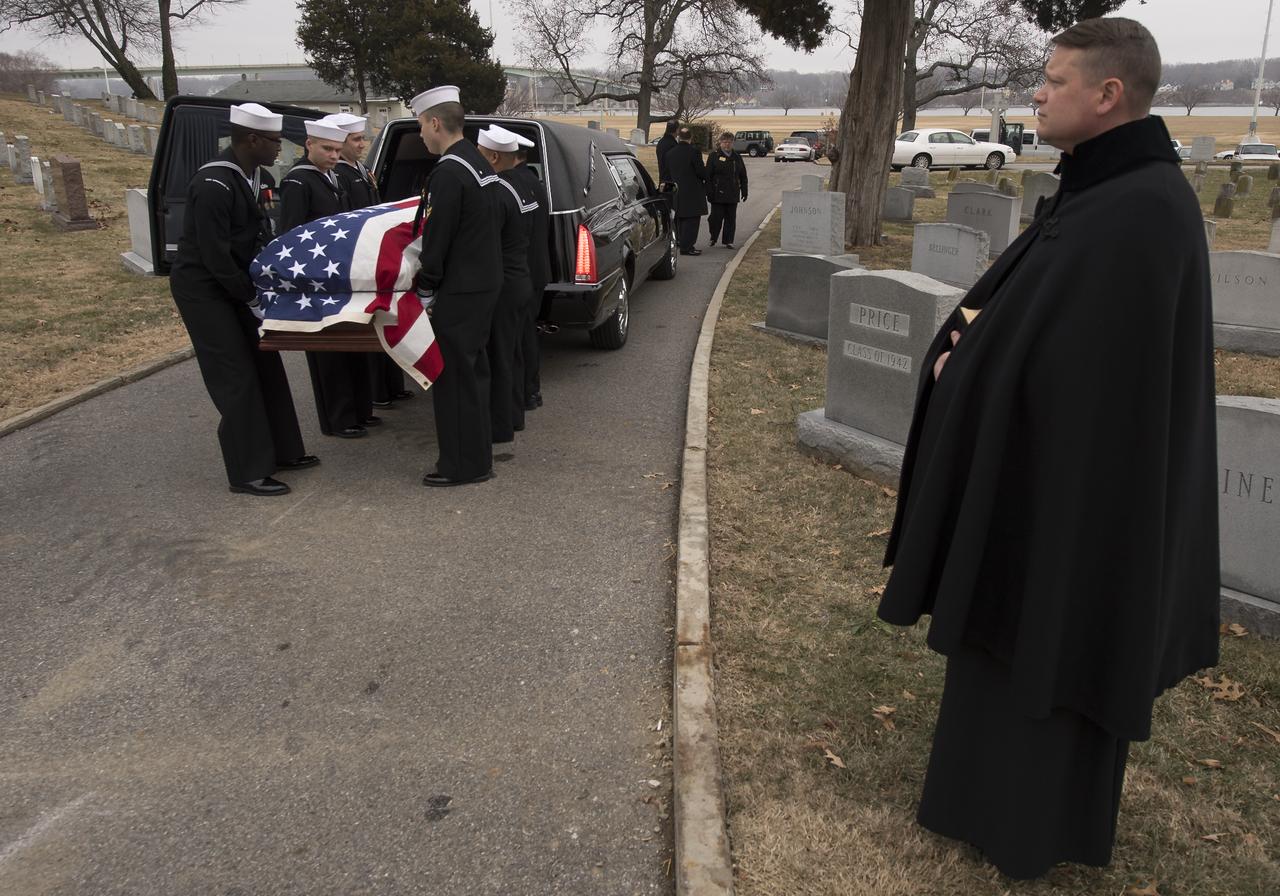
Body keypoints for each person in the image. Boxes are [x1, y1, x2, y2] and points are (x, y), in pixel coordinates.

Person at [876, 17, 1219, 880]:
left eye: (1054, 79)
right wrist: (970, 354)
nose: (1036, 92)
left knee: (1054, 652)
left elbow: (1098, 386)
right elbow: (1040, 323)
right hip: (1037, 479)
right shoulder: (1099, 189)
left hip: (1083, 504)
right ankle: (976, 804)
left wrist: (971, 364)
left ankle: (1030, 826)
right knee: (1004, 642)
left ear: (1107, 96)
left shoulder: (1141, 208)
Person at [169, 102, 317, 496]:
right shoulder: (214, 184)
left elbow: (256, 235)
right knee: (235, 375)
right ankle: (248, 470)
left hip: (234, 283)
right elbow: (214, 254)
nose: (279, 148)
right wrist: (249, 296)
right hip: (206, 289)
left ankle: (284, 451)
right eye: (273, 141)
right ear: (251, 139)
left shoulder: (254, 176)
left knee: (265, 365)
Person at [411, 85, 504, 486]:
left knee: (453, 380)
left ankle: (461, 466)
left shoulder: (449, 171)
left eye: (420, 127)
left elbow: (439, 237)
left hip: (461, 289)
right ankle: (477, 458)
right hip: (483, 282)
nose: (420, 136)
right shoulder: (478, 163)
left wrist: (425, 285)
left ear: (435, 122)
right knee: (474, 373)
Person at [280, 115, 375, 439]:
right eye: (327, 149)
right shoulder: (298, 181)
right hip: (315, 281)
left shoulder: (332, 177)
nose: (334, 156)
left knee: (350, 344)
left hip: (340, 275)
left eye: (337, 149)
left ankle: (360, 410)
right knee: (328, 352)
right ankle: (339, 418)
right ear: (309, 144)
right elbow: (291, 234)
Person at [329, 112, 414, 412]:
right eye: (356, 139)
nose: (363, 144)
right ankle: (375, 391)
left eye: (363, 138)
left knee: (383, 320)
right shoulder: (340, 174)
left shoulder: (362, 171)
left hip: (373, 254)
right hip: (359, 256)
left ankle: (388, 387)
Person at [476, 124, 539, 443]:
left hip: (502, 284)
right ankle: (513, 416)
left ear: (494, 156)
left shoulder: (496, 191)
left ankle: (499, 426)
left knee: (499, 356)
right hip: (520, 279)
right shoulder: (519, 186)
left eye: (481, 154)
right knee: (512, 353)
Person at [513, 145, 551, 412]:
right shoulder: (536, 184)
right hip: (536, 271)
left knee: (517, 337)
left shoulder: (508, 185)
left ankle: (524, 392)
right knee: (527, 333)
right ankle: (531, 390)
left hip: (518, 274)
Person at [664, 128, 708, 256]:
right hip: (692, 190)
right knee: (692, 220)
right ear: (690, 138)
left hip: (676, 190)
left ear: (678, 137)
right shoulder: (694, 152)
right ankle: (687, 246)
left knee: (680, 218)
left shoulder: (670, 153)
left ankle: (680, 242)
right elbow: (700, 172)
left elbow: (667, 173)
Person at [704, 131, 748, 249]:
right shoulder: (714, 156)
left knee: (730, 218)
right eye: (725, 142)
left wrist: (744, 190)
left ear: (732, 143)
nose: (727, 145)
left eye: (729, 142)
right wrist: (708, 191)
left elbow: (743, 175)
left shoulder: (737, 157)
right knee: (715, 218)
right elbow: (708, 175)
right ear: (720, 143)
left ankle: (728, 241)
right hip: (717, 193)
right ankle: (713, 237)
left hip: (733, 192)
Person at [655, 118, 679, 185]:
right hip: (671, 182)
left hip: (662, 179)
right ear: (677, 130)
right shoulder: (673, 145)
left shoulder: (661, 142)